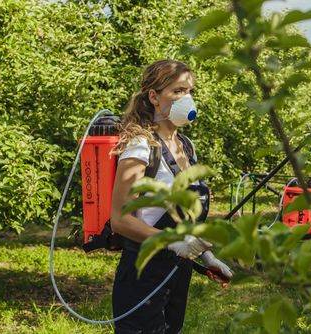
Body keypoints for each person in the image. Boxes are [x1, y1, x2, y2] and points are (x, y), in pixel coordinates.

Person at [110, 59, 232, 334]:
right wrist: (173, 242)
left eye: (189, 91)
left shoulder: (186, 147)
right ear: (154, 96)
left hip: (177, 271)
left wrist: (207, 255)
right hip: (143, 274)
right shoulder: (141, 145)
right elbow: (120, 220)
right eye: (177, 91)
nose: (186, 98)